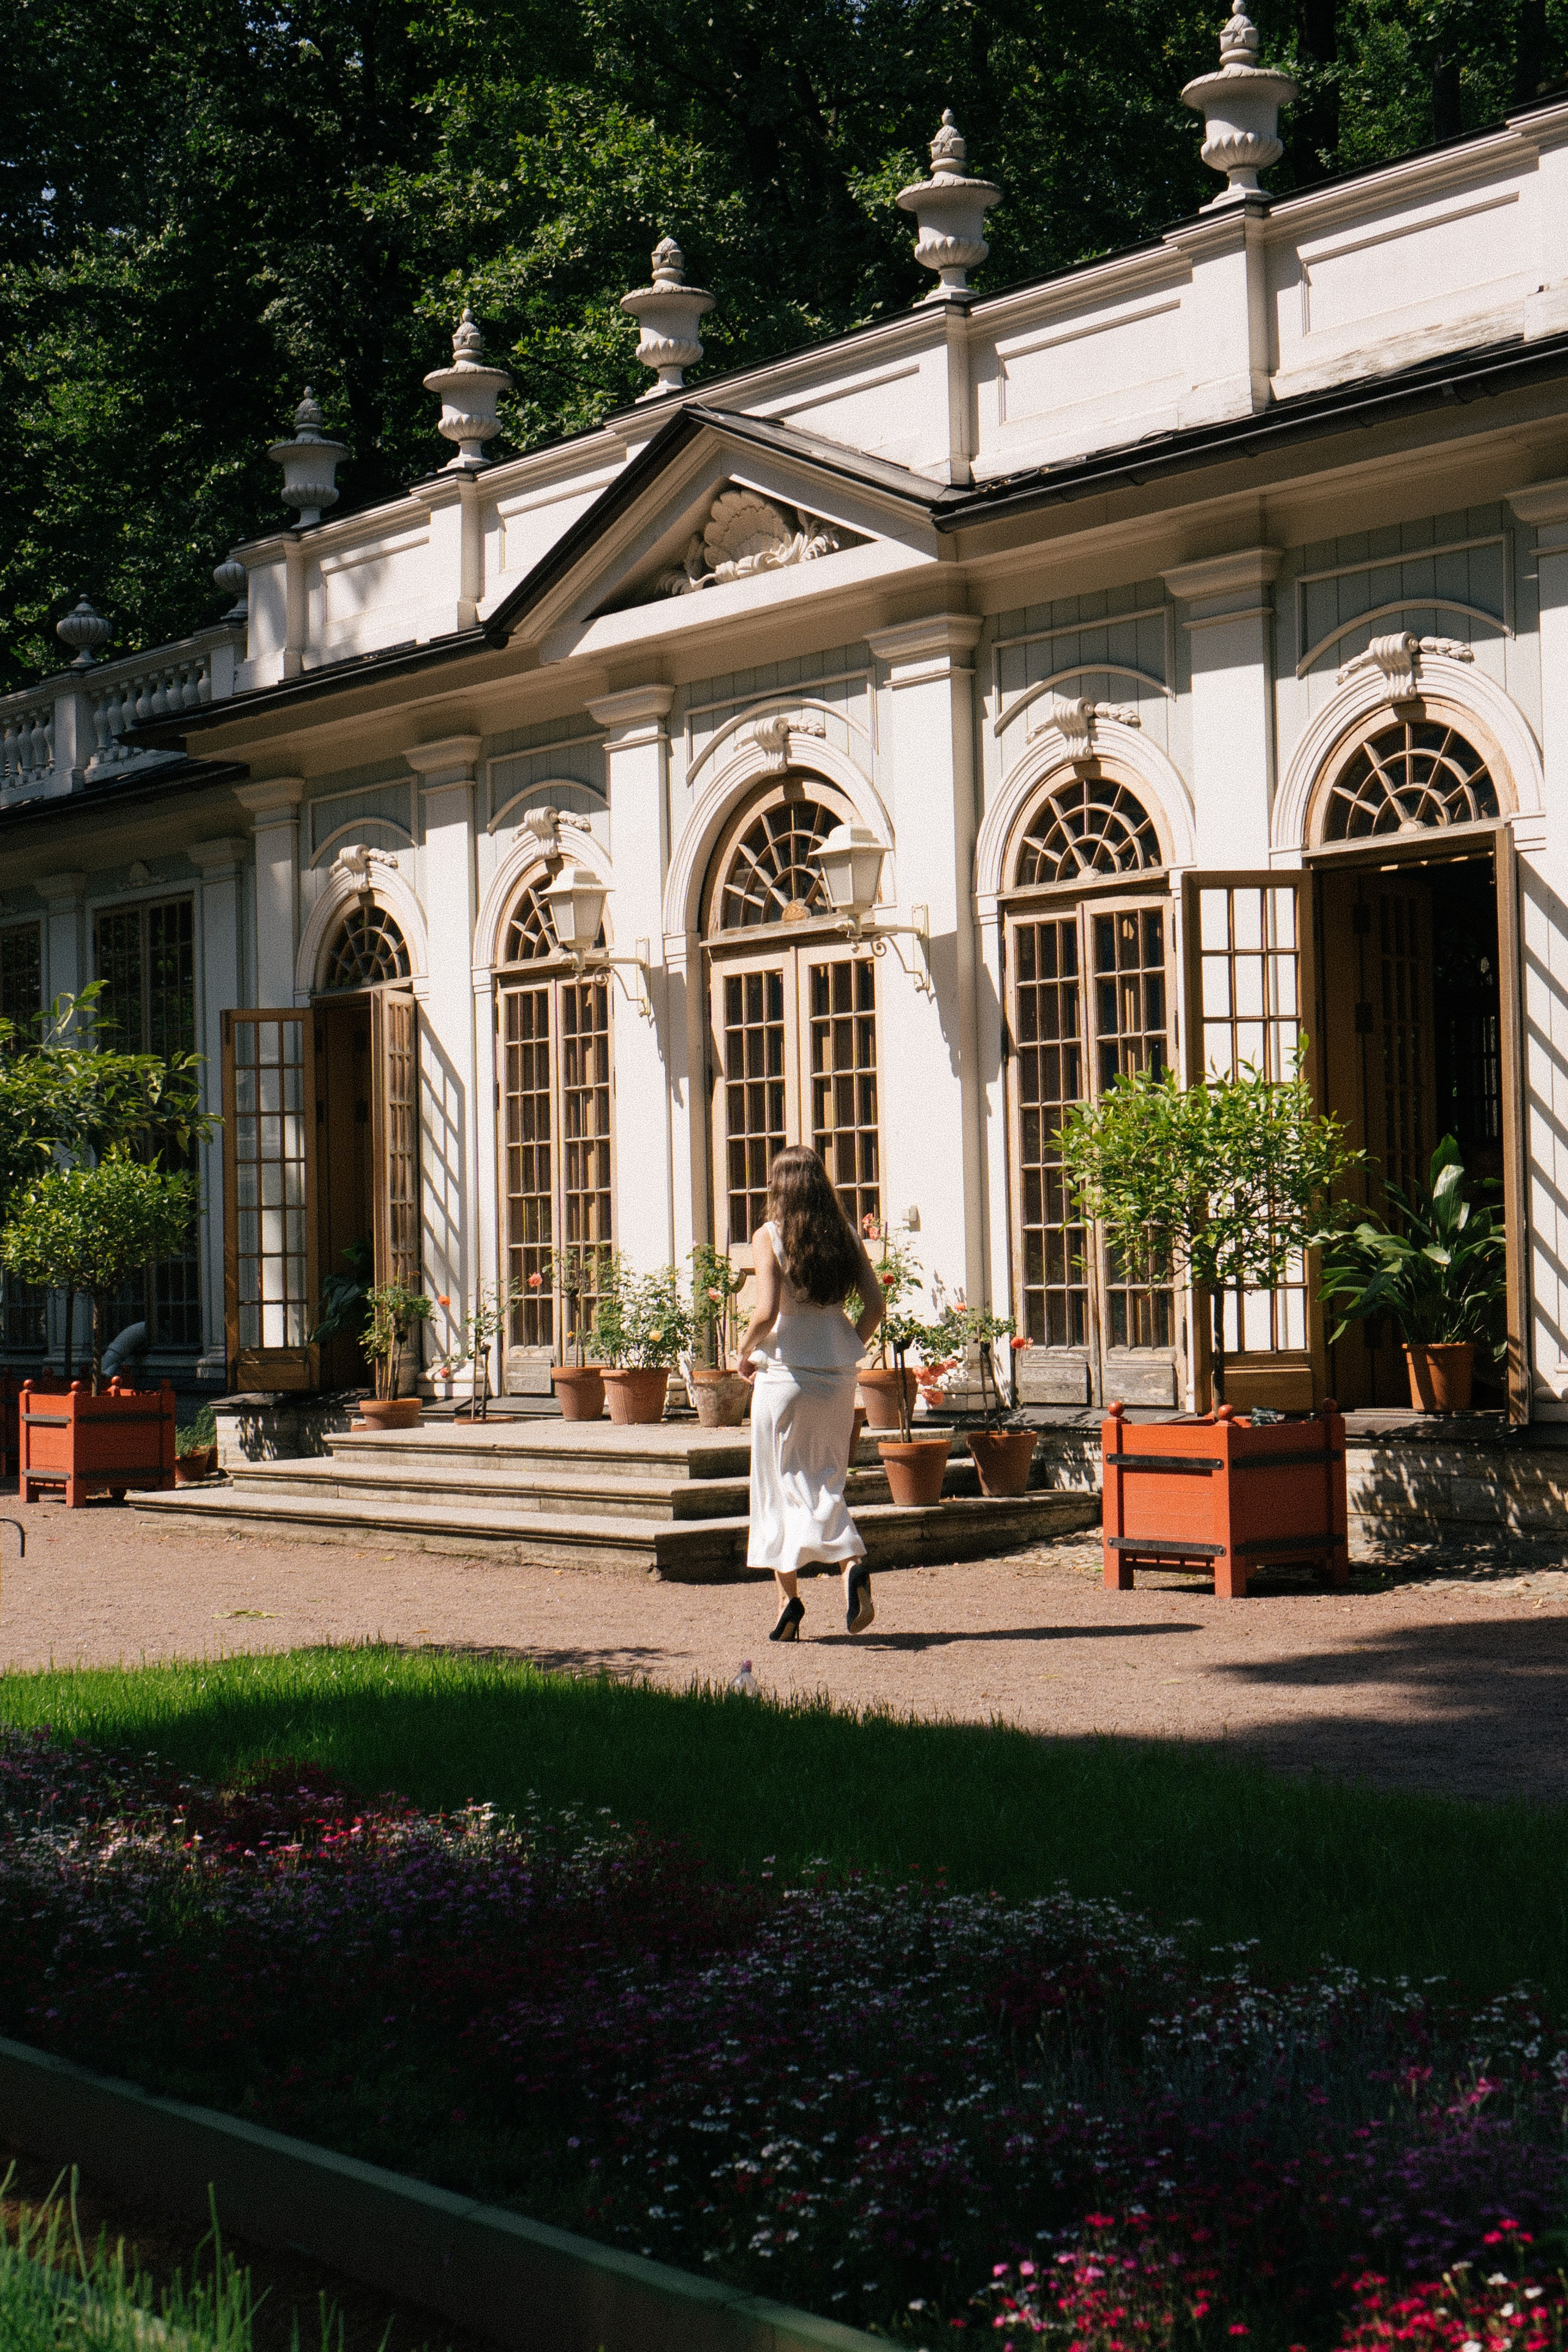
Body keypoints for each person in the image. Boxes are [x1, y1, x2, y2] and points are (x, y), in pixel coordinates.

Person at [736, 1146, 886, 1642]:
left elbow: (766, 1312)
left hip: (785, 1374)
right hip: (837, 1375)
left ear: (778, 1188)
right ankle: (850, 1567)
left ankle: (789, 1602)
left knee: (776, 1484)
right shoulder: (844, 1236)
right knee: (824, 1480)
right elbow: (875, 1304)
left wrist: (741, 1352)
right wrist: (845, 1348)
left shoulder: (769, 1236)